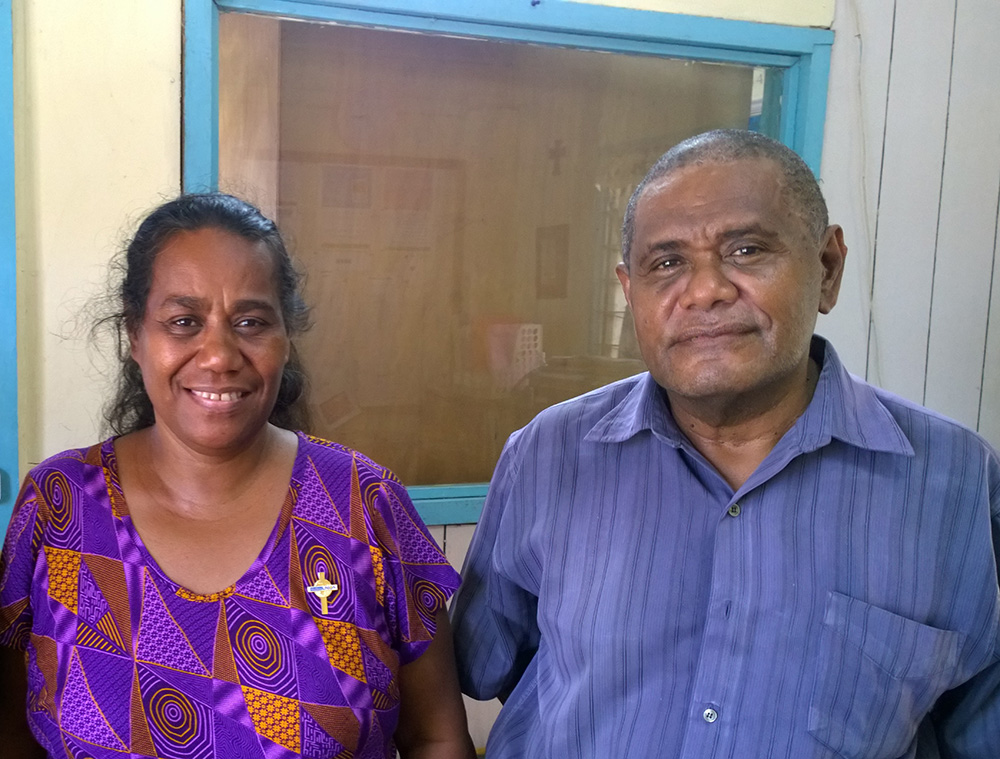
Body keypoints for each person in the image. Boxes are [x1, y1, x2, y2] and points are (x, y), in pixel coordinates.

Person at [450, 130, 1000, 758]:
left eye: (746, 249)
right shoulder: (550, 454)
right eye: (667, 263)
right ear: (631, 292)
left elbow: (973, 725)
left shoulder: (954, 481)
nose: (705, 289)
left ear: (827, 268)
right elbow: (492, 666)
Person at [0, 193, 477, 759]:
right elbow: (12, 736)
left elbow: (436, 737)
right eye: (183, 322)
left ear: (285, 337)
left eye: (250, 322)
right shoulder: (60, 506)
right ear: (135, 336)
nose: (220, 355)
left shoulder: (364, 504)